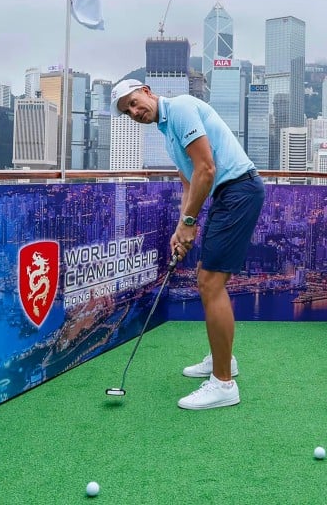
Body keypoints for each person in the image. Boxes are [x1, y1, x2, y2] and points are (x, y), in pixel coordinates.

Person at [111, 79, 265, 410]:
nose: (136, 112)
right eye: (128, 111)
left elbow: (207, 169)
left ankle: (224, 384)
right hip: (230, 194)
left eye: (135, 102)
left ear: (148, 91)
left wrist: (190, 224)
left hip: (238, 190)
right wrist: (181, 228)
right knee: (206, 278)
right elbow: (190, 184)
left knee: (210, 282)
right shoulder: (168, 132)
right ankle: (223, 359)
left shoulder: (179, 108)